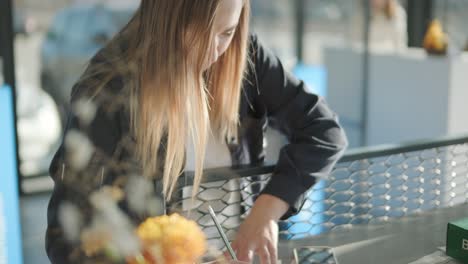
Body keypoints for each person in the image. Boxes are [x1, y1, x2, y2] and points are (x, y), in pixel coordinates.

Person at [46, 0, 348, 263]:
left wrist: (267, 208)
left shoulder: (246, 54)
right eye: (200, 31)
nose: (213, 50)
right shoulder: (109, 89)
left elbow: (324, 130)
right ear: (166, 18)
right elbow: (66, 238)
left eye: (226, 33)